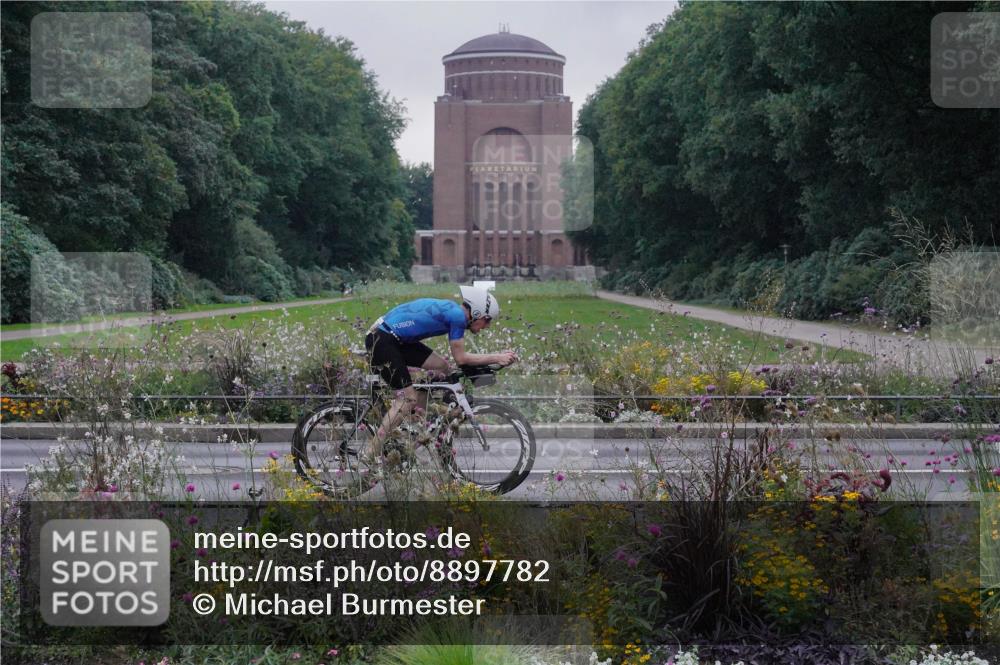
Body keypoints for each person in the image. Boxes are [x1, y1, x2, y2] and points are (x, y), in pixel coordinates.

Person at [362, 285, 517, 467]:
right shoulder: (458, 317)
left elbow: (455, 363)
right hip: (383, 339)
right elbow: (461, 358)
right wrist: (497, 357)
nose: (487, 326)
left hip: (394, 338)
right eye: (487, 320)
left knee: (442, 367)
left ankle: (413, 422)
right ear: (476, 313)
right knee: (406, 399)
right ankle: (371, 451)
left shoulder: (454, 313)